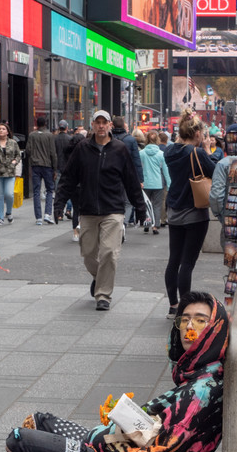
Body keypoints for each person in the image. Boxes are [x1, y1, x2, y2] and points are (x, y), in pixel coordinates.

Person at [5, 291, 227, 452]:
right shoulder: (198, 373)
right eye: (185, 319)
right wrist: (121, 423)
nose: (189, 326)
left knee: (18, 442)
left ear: (216, 329)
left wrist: (102, 439)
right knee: (37, 421)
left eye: (200, 320)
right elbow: (157, 431)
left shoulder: (203, 391)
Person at [54, 110, 145, 311]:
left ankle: (103, 295)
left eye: (105, 123)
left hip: (113, 209)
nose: (101, 126)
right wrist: (59, 203)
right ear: (92, 125)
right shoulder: (82, 148)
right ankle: (99, 277)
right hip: (87, 210)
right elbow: (68, 178)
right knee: (88, 254)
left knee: (110, 253)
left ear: (110, 125)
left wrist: (140, 207)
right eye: (98, 123)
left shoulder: (120, 149)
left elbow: (131, 180)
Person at [161, 111, 217, 318]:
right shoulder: (197, 153)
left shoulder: (169, 152)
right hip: (194, 211)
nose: (203, 135)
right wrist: (207, 149)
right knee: (187, 263)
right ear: (196, 133)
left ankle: (173, 305)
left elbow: (179, 148)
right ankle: (184, 309)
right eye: (201, 132)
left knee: (173, 259)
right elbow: (214, 172)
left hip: (174, 210)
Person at [0, 122, 21, 225]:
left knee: (9, 194)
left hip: (10, 172)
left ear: (7, 131)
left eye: (3, 129)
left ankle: (9, 212)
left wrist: (15, 162)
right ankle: (1, 218)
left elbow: (18, 155)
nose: (1, 130)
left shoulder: (13, 143)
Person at [26, 116, 57, 225]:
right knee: (49, 190)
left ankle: (38, 217)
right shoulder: (49, 135)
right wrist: (55, 169)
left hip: (35, 165)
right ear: (45, 124)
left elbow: (28, 150)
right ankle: (47, 214)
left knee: (36, 191)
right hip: (47, 165)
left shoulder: (32, 135)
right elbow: (53, 153)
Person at [140, 129, 169, 235]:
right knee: (157, 205)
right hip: (158, 183)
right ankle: (155, 226)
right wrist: (169, 185)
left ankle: (147, 224)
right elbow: (165, 171)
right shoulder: (161, 154)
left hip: (145, 183)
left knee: (146, 205)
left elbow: (138, 168)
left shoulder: (141, 153)